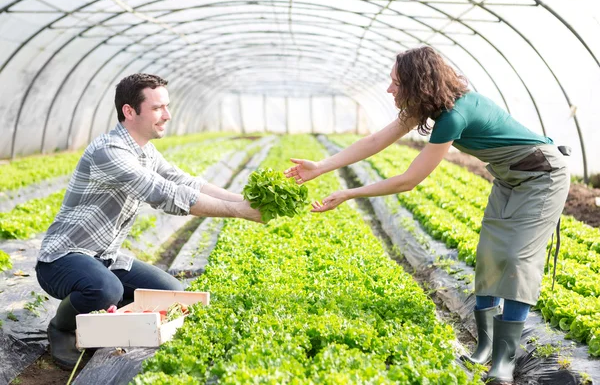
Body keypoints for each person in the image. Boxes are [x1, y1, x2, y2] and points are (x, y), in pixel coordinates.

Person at [285, 46, 569, 384]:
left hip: (542, 176)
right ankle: (485, 347)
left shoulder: (455, 115)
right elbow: (376, 140)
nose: (390, 89)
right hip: (508, 176)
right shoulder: (426, 106)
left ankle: (505, 362)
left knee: (515, 259)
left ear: (418, 83)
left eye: (395, 83)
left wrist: (349, 193)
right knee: (489, 256)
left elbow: (409, 180)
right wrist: (321, 167)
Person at [36, 73, 262, 369]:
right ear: (130, 111)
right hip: (62, 259)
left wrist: (242, 201)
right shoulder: (109, 151)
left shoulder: (144, 150)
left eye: (166, 107)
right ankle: (62, 328)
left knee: (172, 295)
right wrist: (238, 212)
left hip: (106, 257)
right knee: (106, 289)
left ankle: (105, 321)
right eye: (157, 108)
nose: (166, 115)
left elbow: (184, 181)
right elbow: (163, 192)